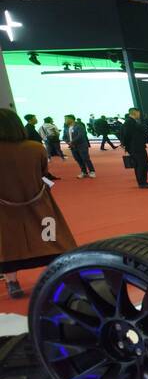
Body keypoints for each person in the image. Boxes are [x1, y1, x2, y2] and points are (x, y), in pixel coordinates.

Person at [0, 108, 77, 298]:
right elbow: (44, 174)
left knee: (7, 243)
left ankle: (12, 282)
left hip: (4, 208)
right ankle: (57, 276)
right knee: (50, 238)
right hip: (39, 202)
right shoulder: (35, 148)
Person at [118, 108, 148, 188]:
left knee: (139, 164)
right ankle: (142, 183)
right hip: (136, 147)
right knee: (141, 164)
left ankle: (142, 182)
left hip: (135, 147)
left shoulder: (129, 122)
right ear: (135, 113)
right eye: (138, 113)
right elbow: (127, 135)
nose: (139, 114)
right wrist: (126, 145)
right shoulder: (130, 122)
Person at [62, 114, 95, 179]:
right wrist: (67, 142)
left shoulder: (79, 126)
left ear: (71, 119)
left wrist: (72, 142)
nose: (65, 120)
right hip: (73, 146)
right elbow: (64, 137)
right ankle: (84, 172)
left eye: (66, 119)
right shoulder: (66, 127)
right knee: (78, 159)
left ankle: (92, 171)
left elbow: (81, 135)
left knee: (85, 159)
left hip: (81, 145)